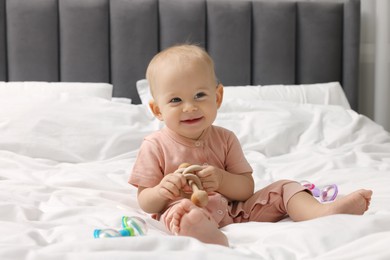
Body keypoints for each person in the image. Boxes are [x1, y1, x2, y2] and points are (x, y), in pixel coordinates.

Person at [129, 44, 372, 247]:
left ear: (218, 97)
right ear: (157, 110)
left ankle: (320, 213)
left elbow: (246, 189)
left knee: (285, 187)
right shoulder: (155, 145)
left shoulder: (225, 138)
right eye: (175, 100)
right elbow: (145, 201)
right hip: (188, 208)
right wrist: (162, 191)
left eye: (200, 95)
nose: (189, 107)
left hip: (236, 211)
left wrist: (222, 180)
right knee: (181, 212)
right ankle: (207, 235)